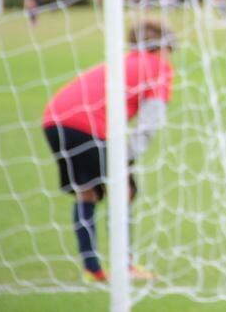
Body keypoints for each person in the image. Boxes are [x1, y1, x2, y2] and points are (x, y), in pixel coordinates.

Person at [42, 19, 176, 282]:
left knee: (87, 191)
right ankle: (124, 266)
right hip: (88, 126)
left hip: (54, 119)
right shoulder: (159, 67)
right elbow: (151, 119)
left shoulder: (123, 61)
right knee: (123, 189)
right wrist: (127, 157)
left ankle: (92, 268)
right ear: (162, 48)